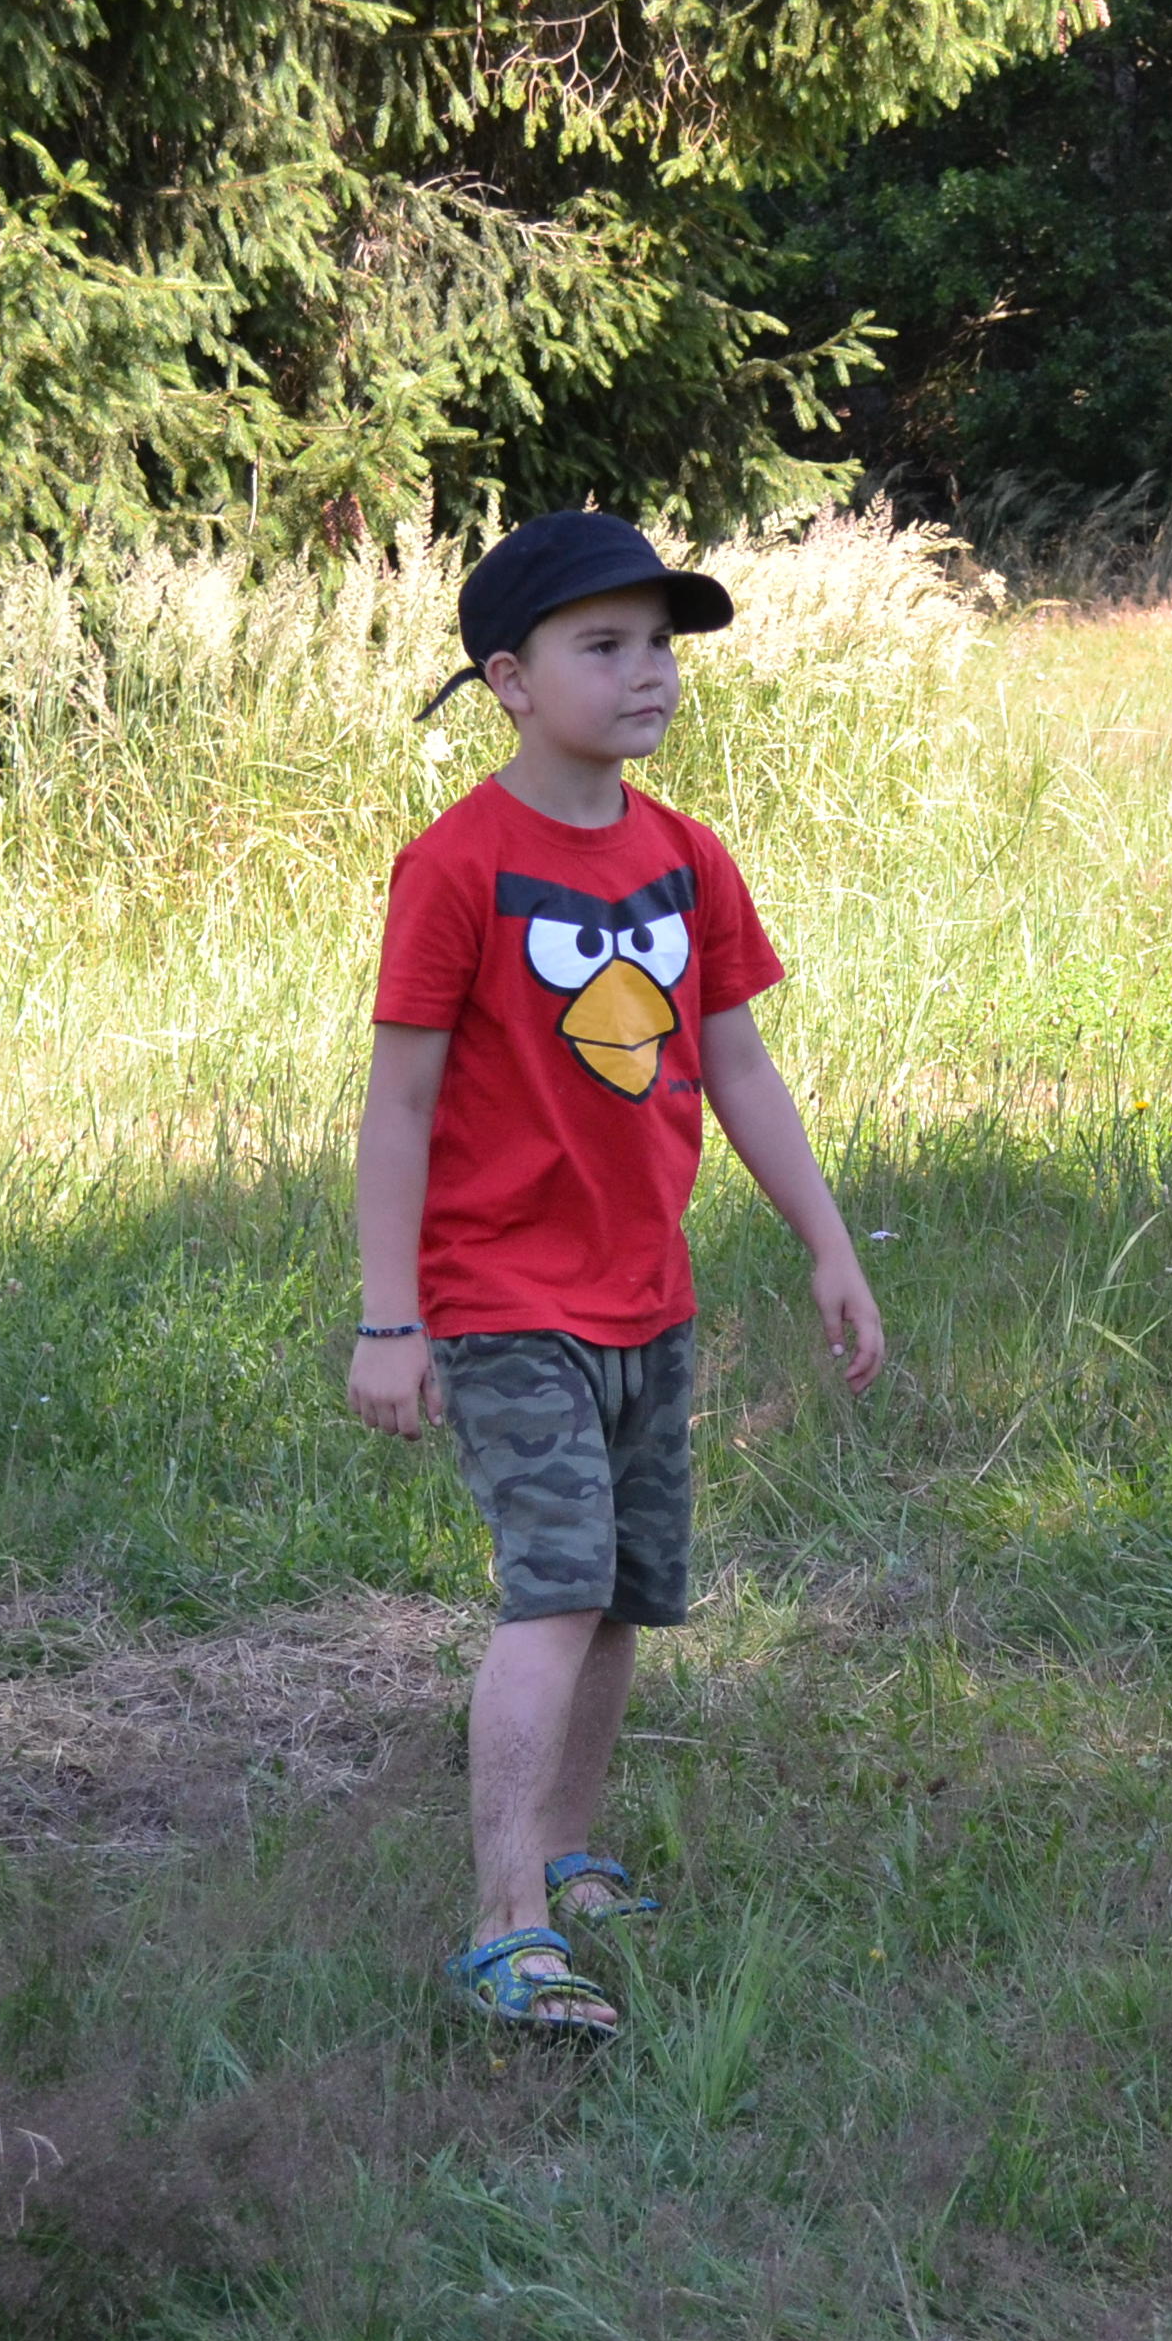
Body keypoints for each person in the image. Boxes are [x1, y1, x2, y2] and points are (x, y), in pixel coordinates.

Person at [352, 509, 887, 2039]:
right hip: (502, 1298)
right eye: (605, 645)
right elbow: (398, 1107)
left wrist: (829, 1243)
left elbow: (739, 1063)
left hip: (649, 1294)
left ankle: (569, 1855)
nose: (648, 670)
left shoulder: (685, 858)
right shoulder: (458, 866)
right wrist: (391, 1320)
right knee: (558, 1587)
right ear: (511, 680)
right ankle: (503, 1924)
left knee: (625, 1599)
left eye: (659, 643)